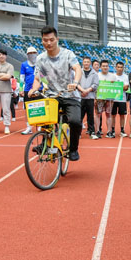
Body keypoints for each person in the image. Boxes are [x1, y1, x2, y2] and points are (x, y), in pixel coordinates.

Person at [29, 26, 83, 161]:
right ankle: (44, 143)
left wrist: (75, 83)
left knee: (75, 122)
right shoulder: (40, 59)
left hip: (70, 95)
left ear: (57, 39)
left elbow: (77, 69)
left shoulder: (68, 54)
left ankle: (73, 149)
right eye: (45, 40)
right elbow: (38, 79)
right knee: (43, 117)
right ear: (42, 40)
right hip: (53, 96)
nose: (48, 43)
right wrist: (33, 89)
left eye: (51, 40)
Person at [77, 56, 99, 139]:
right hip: (80, 97)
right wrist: (82, 90)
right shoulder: (79, 72)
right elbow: (76, 83)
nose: (86, 63)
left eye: (88, 62)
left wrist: (87, 91)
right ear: (82, 62)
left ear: (90, 63)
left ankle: (92, 132)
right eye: (85, 62)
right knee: (79, 116)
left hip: (90, 97)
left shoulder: (94, 73)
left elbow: (95, 85)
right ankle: (78, 133)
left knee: (90, 116)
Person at [95, 60, 116, 138]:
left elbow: (116, 86)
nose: (105, 67)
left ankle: (109, 132)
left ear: (108, 67)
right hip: (99, 98)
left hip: (109, 99)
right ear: (100, 67)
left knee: (109, 114)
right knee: (97, 114)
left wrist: (113, 83)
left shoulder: (113, 76)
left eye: (106, 66)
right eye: (103, 66)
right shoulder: (97, 75)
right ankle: (97, 131)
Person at [19, 46, 38, 134]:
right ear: (27, 54)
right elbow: (21, 77)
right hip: (27, 89)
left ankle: (40, 127)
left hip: (39, 89)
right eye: (30, 53)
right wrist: (21, 89)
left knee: (40, 108)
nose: (32, 55)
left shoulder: (40, 64)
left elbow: (44, 76)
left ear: (36, 54)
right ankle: (28, 127)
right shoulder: (24, 65)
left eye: (33, 53)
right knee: (28, 109)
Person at [112, 61, 130, 137]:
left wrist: (115, 85)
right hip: (113, 99)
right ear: (116, 68)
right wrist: (120, 86)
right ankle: (112, 130)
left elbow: (126, 88)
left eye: (121, 67)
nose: (120, 69)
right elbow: (110, 86)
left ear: (123, 68)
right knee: (113, 115)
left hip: (122, 99)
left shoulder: (125, 76)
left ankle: (122, 130)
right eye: (118, 67)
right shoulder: (112, 76)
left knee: (122, 115)